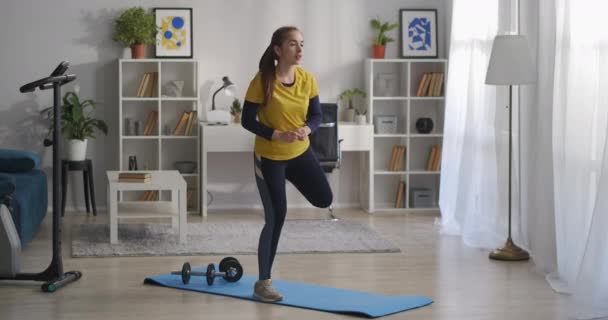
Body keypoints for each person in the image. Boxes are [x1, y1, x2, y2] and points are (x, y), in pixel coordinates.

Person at [241, 26, 333, 302]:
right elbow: (247, 120)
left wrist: (307, 129)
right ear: (278, 50)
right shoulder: (262, 81)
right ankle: (263, 282)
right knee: (276, 216)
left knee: (324, 198)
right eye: (293, 44)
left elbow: (317, 114)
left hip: (300, 153)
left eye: (301, 44)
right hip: (270, 157)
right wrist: (275, 134)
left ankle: (284, 182)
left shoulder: (307, 79)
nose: (300, 49)